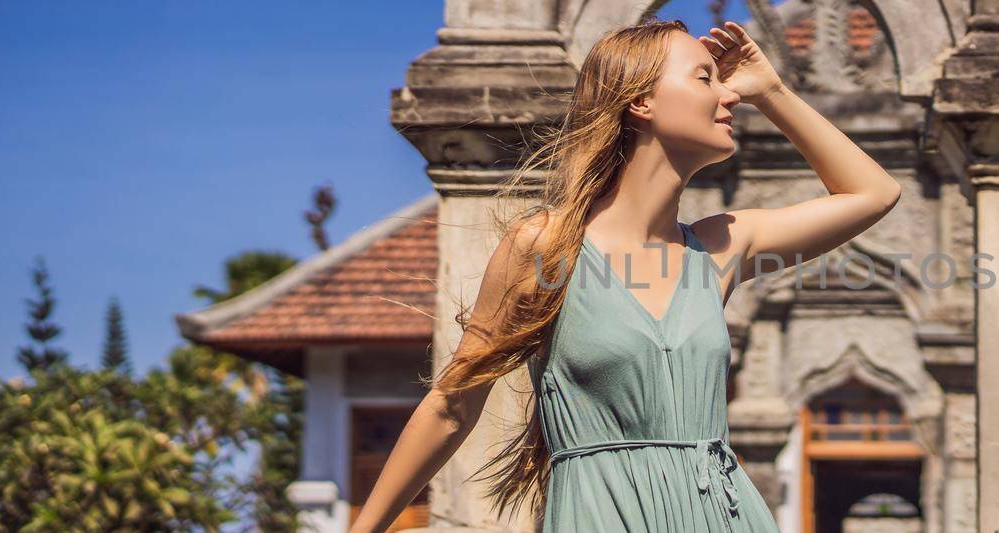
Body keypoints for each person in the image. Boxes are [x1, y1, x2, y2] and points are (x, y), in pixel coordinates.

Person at [347, 18, 901, 533]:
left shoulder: (718, 248)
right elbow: (451, 404)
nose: (730, 95)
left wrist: (774, 92)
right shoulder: (545, 246)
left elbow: (873, 194)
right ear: (639, 100)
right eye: (705, 78)